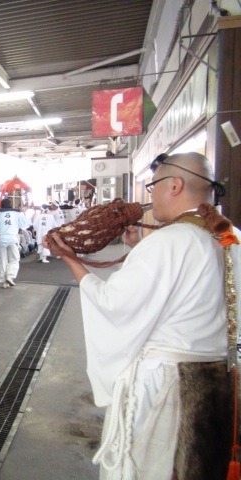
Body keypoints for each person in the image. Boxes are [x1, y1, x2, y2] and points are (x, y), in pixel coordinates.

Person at [46, 152, 241, 480]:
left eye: (153, 187)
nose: (149, 196)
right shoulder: (232, 237)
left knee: (154, 465)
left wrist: (70, 258)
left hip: (167, 385)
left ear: (175, 185)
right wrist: (138, 249)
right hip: (219, 382)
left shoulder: (168, 241)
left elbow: (112, 304)